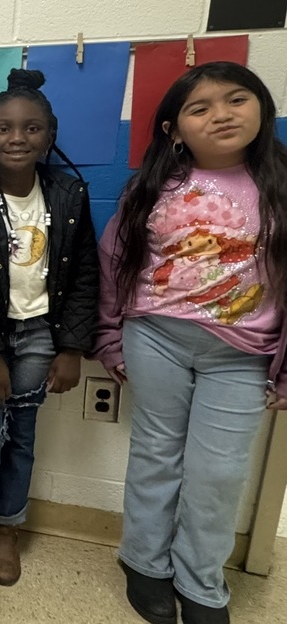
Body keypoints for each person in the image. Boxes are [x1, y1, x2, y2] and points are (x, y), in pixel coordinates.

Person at [92, 62, 287, 624]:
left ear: (261, 110)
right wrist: (110, 337)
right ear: (174, 129)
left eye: (236, 100)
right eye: (199, 108)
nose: (221, 115)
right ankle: (145, 563)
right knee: (156, 453)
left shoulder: (282, 184)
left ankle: (201, 581)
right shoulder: (153, 187)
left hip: (244, 354)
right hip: (157, 338)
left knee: (219, 472)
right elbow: (114, 263)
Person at [0, 68, 99, 586]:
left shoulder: (69, 195)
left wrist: (73, 347)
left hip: (40, 334)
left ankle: (7, 525)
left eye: (31, 128)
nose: (17, 138)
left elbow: (83, 276)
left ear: (49, 136)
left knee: (22, 436)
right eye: (4, 128)